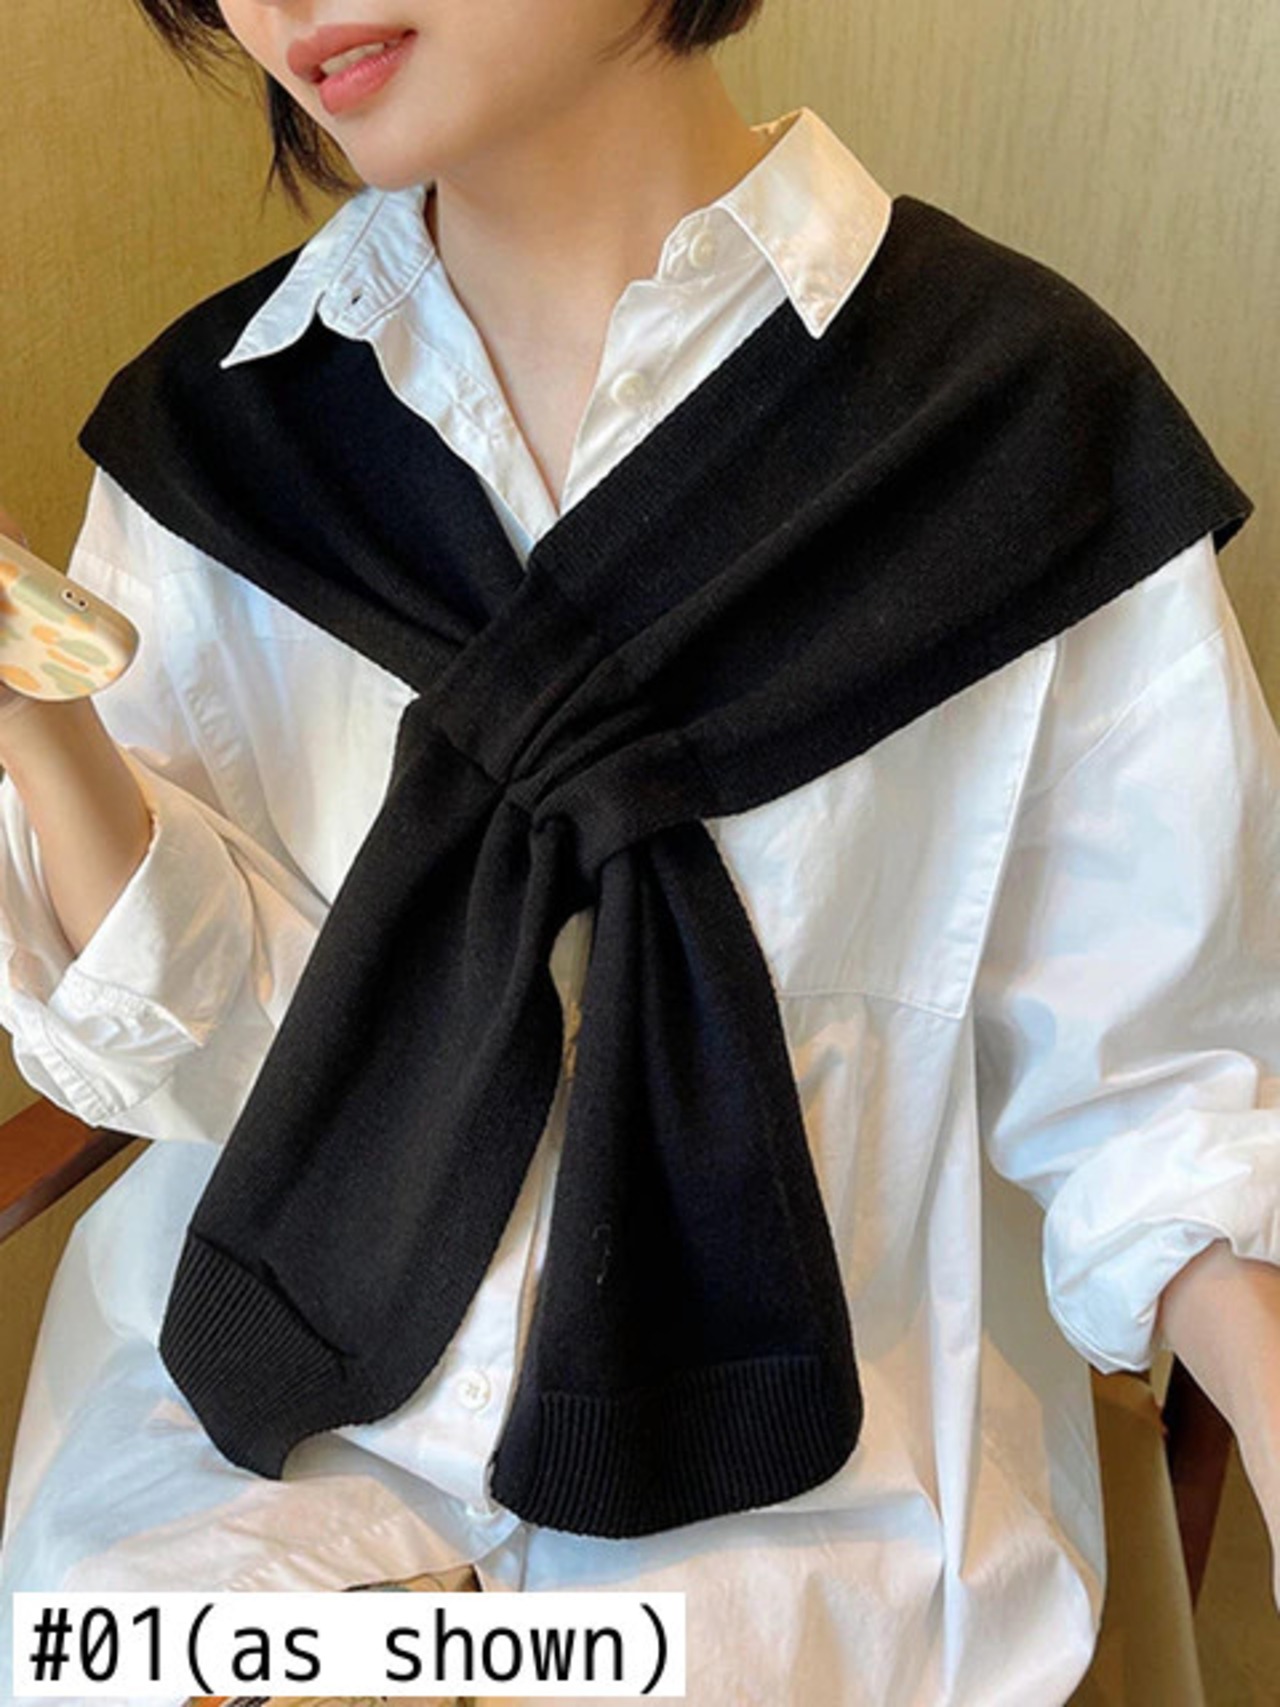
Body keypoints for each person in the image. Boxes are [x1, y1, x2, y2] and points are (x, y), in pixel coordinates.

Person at [1, 2, 1278, 1704]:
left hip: (807, 1532)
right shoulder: (216, 442)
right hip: (246, 1478)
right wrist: (34, 722)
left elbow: (1166, 1091)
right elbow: (216, 1050)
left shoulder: (1021, 434)